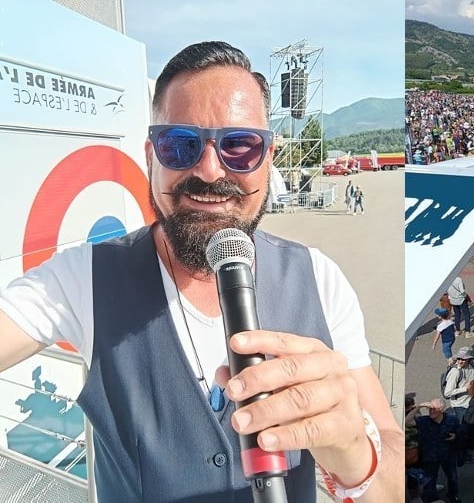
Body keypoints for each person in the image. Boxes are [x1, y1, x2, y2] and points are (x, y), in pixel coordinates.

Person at [0, 42, 398, 501]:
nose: (210, 171)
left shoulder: (321, 280)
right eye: (180, 145)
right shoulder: (84, 278)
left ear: (268, 159)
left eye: (240, 146)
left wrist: (354, 450)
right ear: (151, 155)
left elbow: (389, 483)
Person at [414, 399, 462, 503]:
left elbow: (460, 431)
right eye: (429, 409)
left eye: (433, 409)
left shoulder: (452, 419)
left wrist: (455, 436)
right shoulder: (423, 421)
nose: (430, 411)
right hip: (430, 456)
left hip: (448, 454)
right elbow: (407, 421)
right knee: (429, 480)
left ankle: (453, 496)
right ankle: (433, 499)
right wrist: (419, 406)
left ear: (441, 409)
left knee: (452, 477)